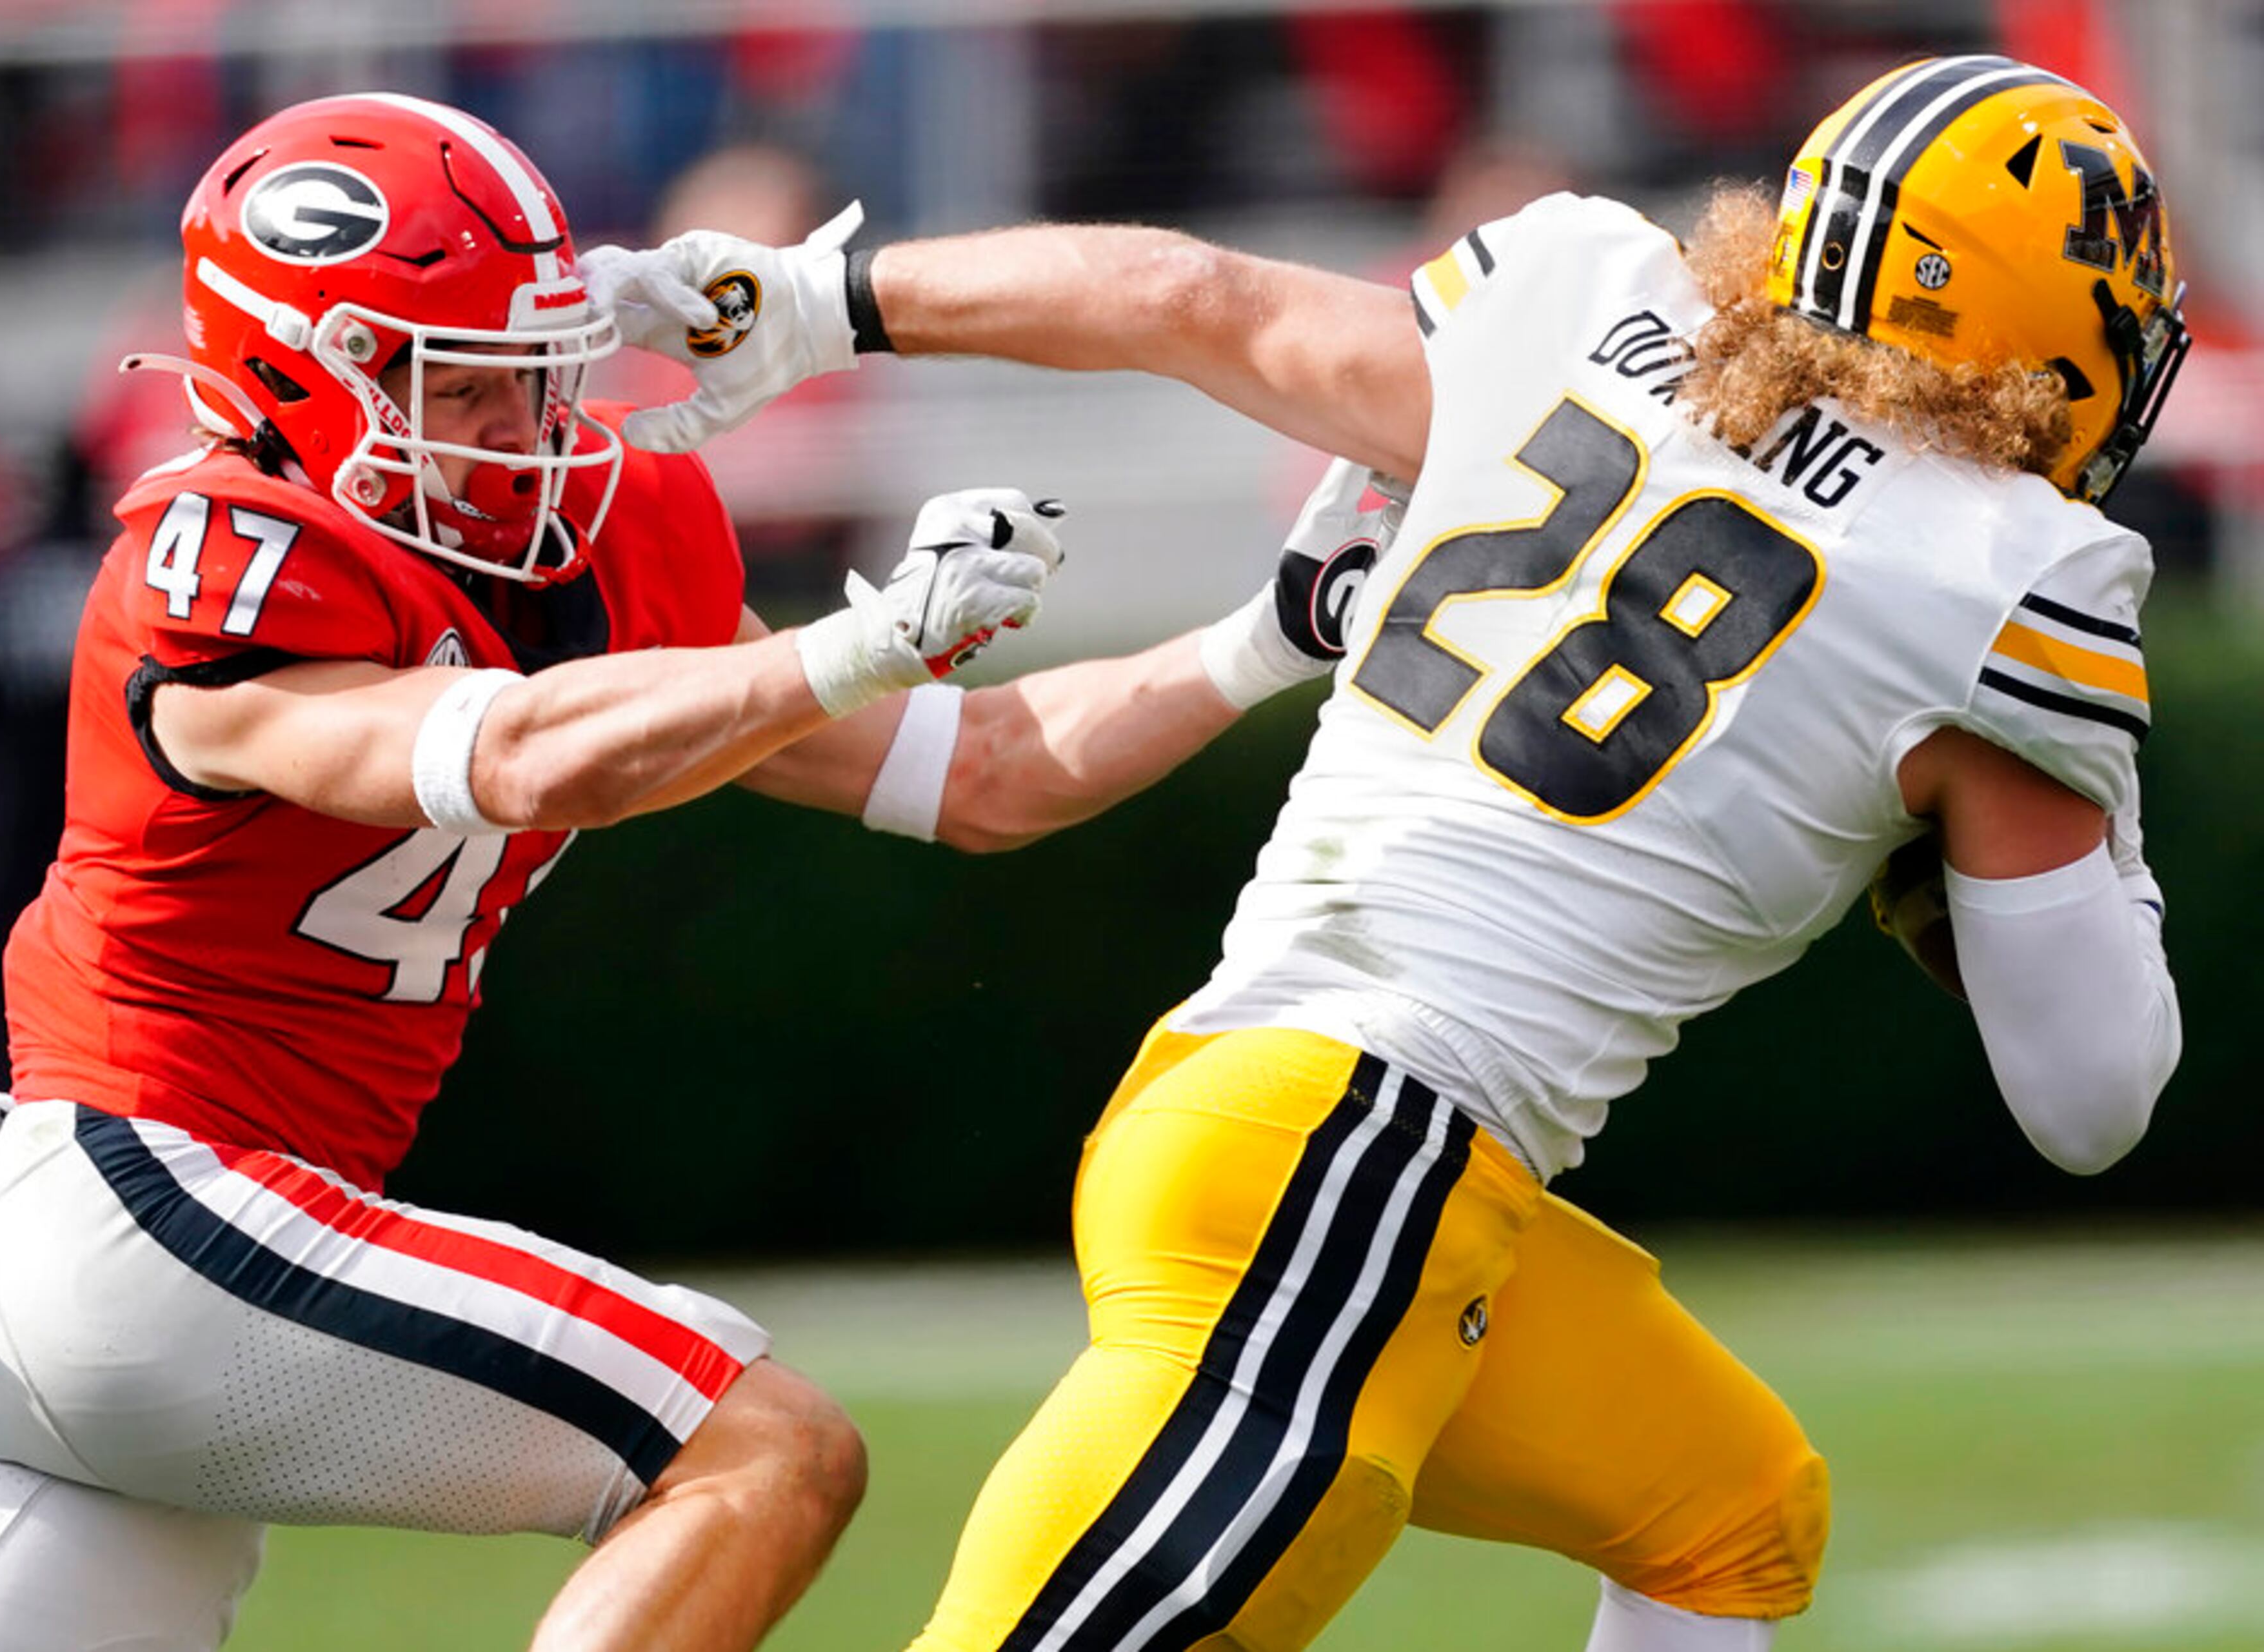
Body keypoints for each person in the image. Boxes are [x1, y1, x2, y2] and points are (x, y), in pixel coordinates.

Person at [590, 53, 2187, 1650]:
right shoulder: (2014, 578)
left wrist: (814, 296)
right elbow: (2092, 1099)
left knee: (1726, 1512)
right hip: (1366, 1164)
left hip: (1259, 1120)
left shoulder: (1584, 294)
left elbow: (1181, 292)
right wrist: (2036, 841)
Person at [0, 93, 1400, 1652]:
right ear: (305, 379)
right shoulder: (219, 561)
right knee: (763, 1448)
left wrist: (1266, 635)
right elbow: (511, 753)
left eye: (536, 373)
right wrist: (850, 644)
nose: (525, 429)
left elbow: (979, 777)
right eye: (460, 384)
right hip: (153, 1215)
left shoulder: (589, 541)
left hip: (140, 1280)